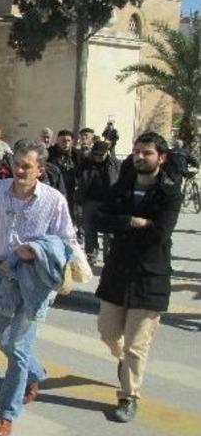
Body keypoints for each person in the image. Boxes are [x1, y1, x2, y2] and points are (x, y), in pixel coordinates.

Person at [0, 139, 75, 436]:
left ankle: (6, 414)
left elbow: (67, 241)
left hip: (34, 280)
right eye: (16, 164)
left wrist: (37, 250)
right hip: (1, 275)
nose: (20, 170)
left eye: (27, 166)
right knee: (4, 339)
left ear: (40, 169)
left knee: (18, 347)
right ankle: (35, 372)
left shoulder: (54, 200)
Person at [94, 132, 182, 424]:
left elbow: (159, 234)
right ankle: (123, 362)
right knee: (107, 332)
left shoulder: (170, 193)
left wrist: (122, 228)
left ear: (161, 157)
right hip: (117, 272)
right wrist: (130, 221)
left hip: (149, 277)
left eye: (147, 153)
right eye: (136, 152)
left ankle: (129, 396)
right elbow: (98, 219)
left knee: (136, 345)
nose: (140, 157)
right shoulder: (122, 186)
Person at [75, 141, 119, 263]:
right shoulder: (86, 163)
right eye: (96, 154)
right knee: (89, 228)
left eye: (101, 155)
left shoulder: (114, 164)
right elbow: (78, 176)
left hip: (109, 201)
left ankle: (109, 255)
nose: (98, 157)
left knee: (109, 230)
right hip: (89, 200)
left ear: (107, 153)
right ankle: (91, 254)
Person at [48, 129, 83, 220]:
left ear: (72, 141)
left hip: (71, 188)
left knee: (70, 213)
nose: (66, 143)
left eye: (68, 140)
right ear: (57, 140)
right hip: (55, 187)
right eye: (63, 141)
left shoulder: (77, 154)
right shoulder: (49, 153)